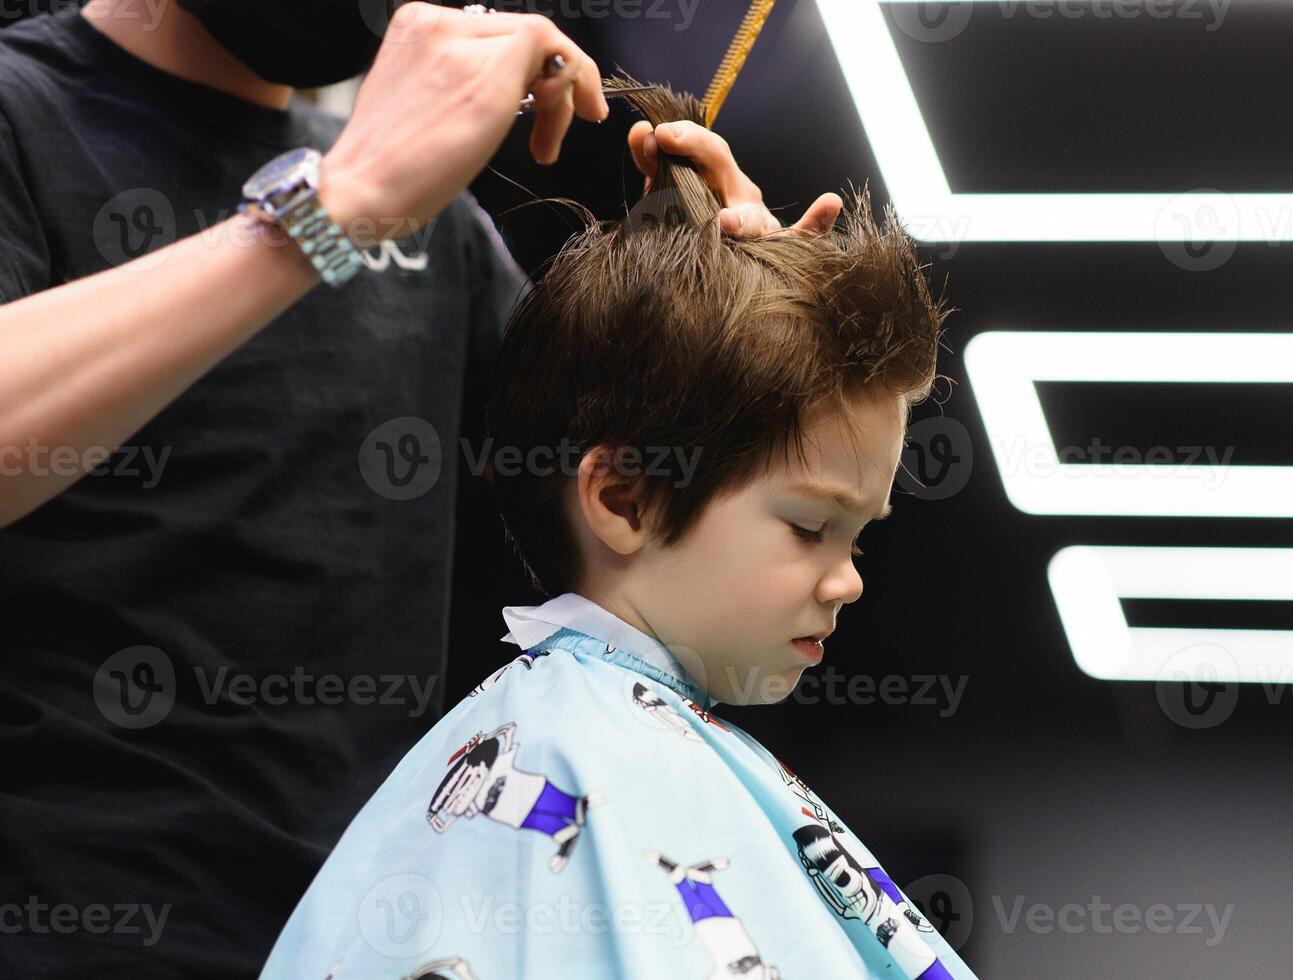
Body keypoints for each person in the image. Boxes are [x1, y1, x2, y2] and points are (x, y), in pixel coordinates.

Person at [0, 2, 841, 974]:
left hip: (362, 938)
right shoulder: (27, 114)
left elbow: (639, 511)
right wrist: (339, 203)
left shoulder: (432, 221)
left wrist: (743, 333)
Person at [260, 82, 972, 980]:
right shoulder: (567, 758)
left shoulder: (445, 253)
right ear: (626, 502)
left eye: (857, 536)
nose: (850, 580)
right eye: (808, 527)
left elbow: (583, 372)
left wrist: (743, 311)